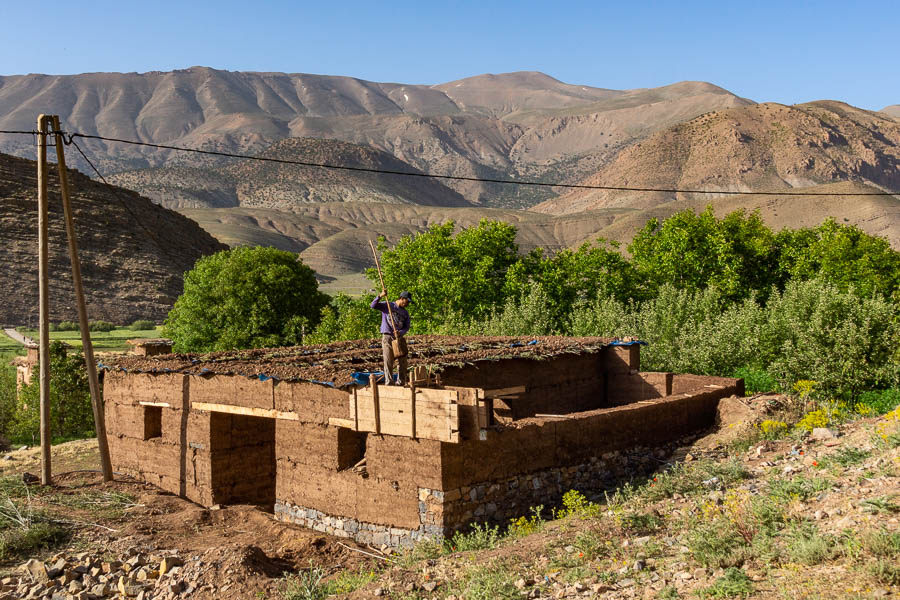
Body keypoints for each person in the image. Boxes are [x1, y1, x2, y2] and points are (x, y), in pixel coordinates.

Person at [370, 290, 412, 385]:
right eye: (407, 301)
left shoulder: (405, 313)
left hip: (399, 338)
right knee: (388, 360)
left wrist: (400, 332)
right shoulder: (388, 305)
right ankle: (389, 382)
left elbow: (406, 327)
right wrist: (380, 295)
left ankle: (401, 382)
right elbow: (373, 305)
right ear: (402, 298)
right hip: (388, 336)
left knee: (402, 361)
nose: (408, 303)